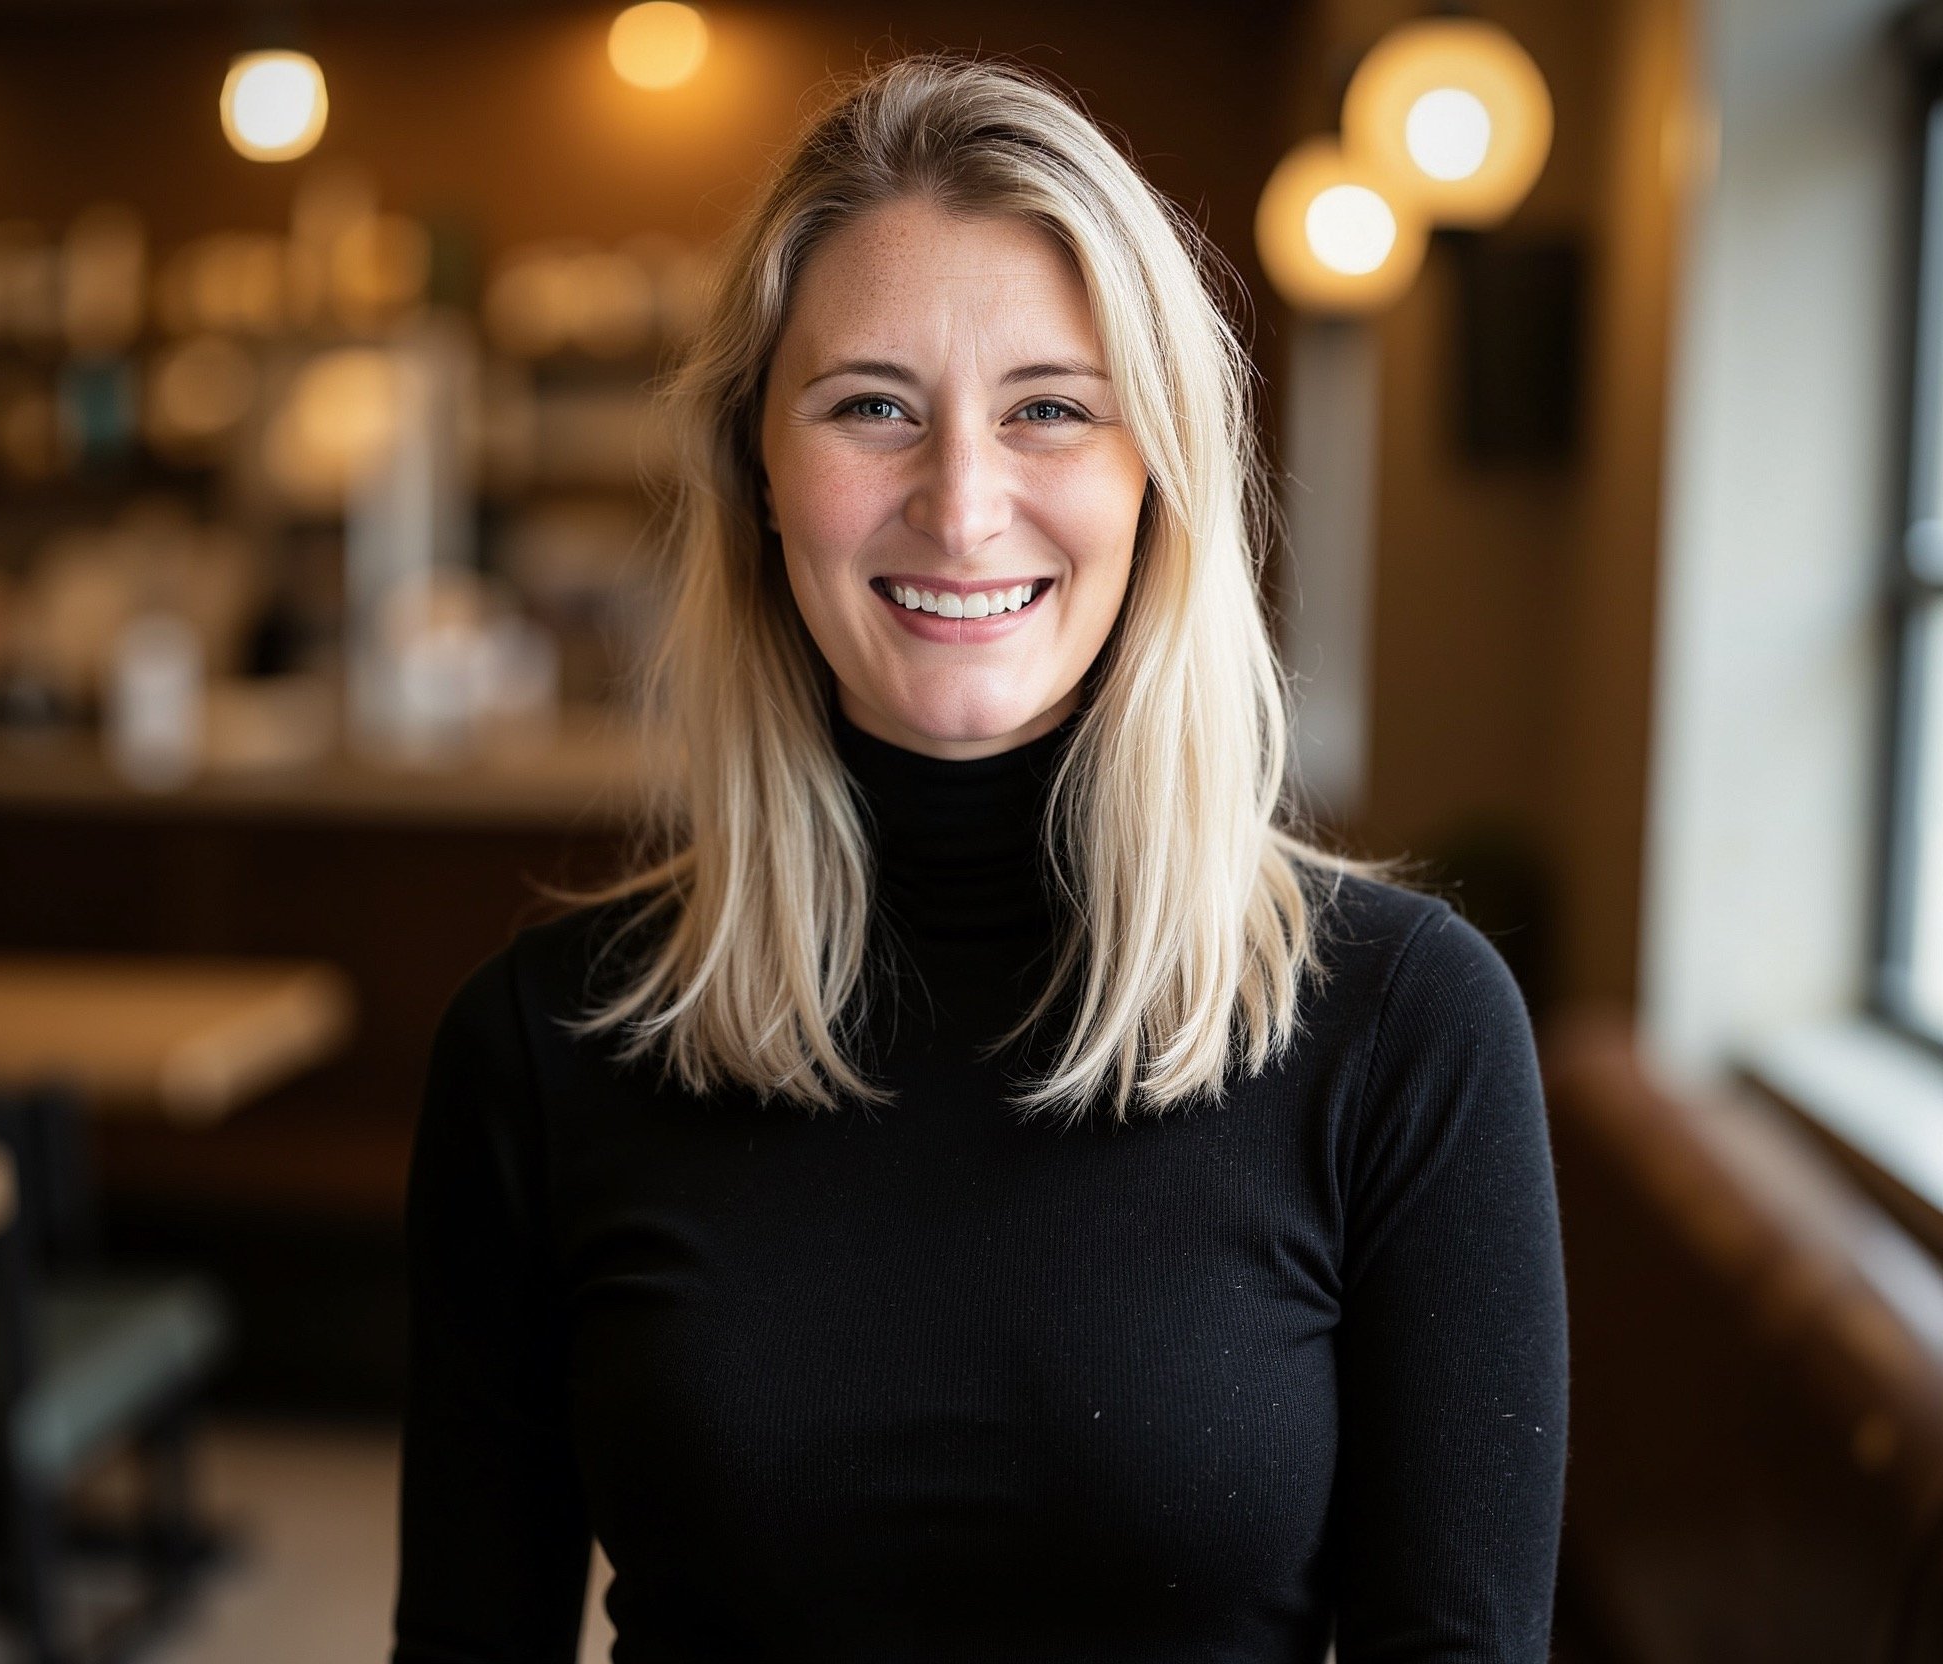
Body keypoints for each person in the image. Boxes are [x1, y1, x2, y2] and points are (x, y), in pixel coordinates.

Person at [391, 53, 1568, 1664]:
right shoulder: (546, 1043)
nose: (961, 505)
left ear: (1158, 478)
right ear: (756, 472)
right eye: (872, 405)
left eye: (1052, 411)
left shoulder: (1407, 1029)